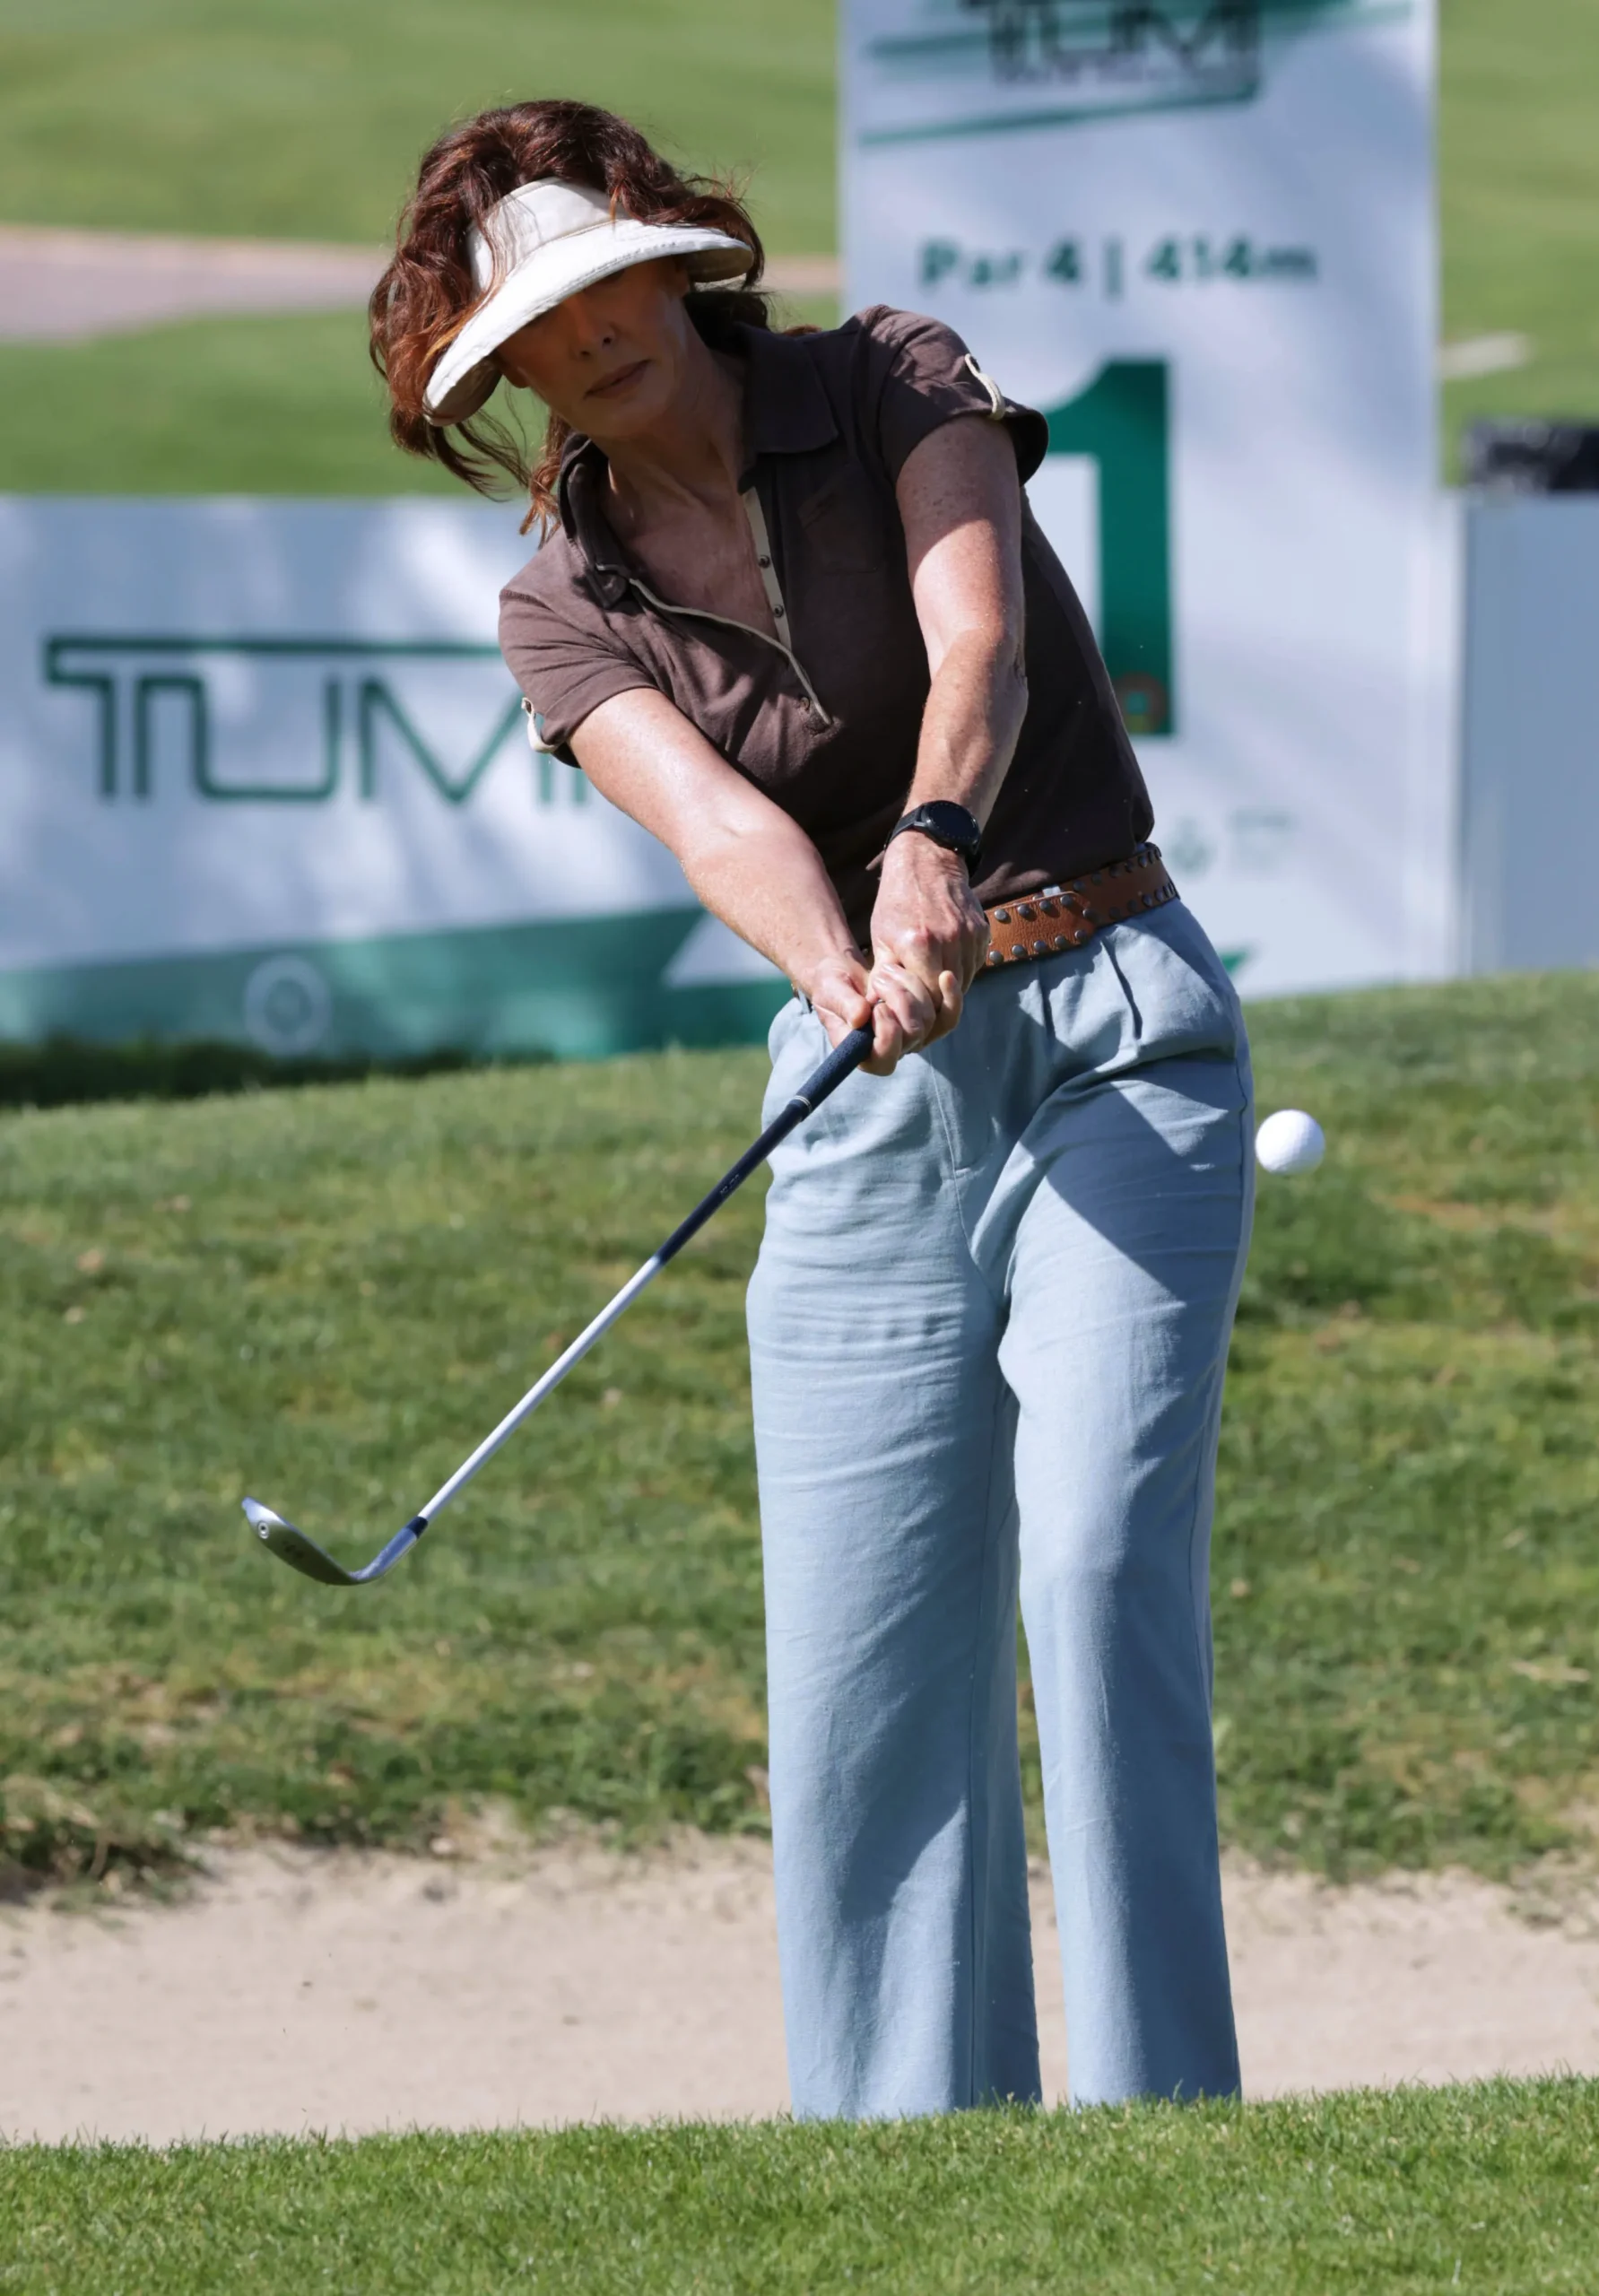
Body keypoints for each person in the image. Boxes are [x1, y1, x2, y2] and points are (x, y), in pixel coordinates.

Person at [372, 98, 1254, 2120]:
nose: (588, 340)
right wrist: (837, 962)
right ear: (503, 374)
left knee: (1098, 1552)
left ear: (676, 263)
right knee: (862, 1655)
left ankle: (1160, 2135)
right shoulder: (561, 604)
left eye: (607, 289)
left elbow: (983, 637)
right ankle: (906, 2159)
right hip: (862, 1089)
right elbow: (719, 823)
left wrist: (937, 838)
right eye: (535, 329)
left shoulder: (888, 380)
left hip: (1119, 1019)